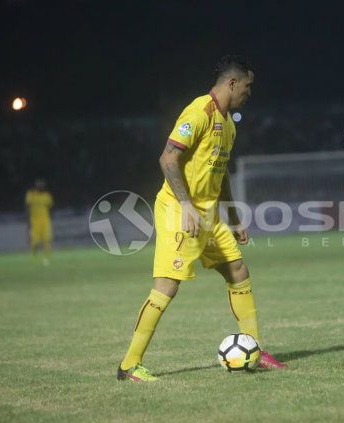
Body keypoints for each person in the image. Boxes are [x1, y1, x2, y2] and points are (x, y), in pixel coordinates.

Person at [117, 55, 285, 382]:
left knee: (238, 270)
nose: (250, 93)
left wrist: (234, 218)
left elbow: (220, 176)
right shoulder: (198, 113)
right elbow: (168, 159)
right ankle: (129, 365)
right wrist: (187, 205)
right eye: (247, 86)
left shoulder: (230, 125)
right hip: (182, 211)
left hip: (209, 213)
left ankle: (255, 349)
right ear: (232, 83)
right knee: (167, 286)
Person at [25, 179, 53, 265]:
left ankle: (46, 257)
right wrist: (28, 219)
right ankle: (34, 256)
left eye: (42, 185)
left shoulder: (47, 196)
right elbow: (27, 206)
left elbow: (50, 207)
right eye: (39, 185)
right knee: (35, 240)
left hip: (45, 221)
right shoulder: (31, 194)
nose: (41, 187)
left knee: (47, 239)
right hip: (35, 221)